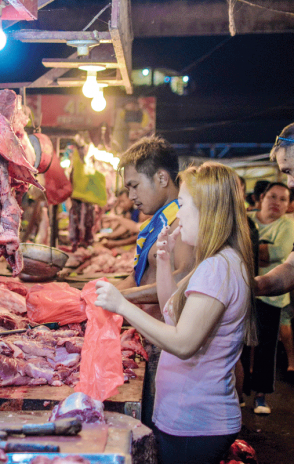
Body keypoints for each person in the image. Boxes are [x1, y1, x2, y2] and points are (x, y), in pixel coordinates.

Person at [95, 162, 256, 464]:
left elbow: (183, 343)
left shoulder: (217, 267)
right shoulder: (222, 260)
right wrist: (165, 261)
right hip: (192, 416)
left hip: (195, 422)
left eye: (183, 205)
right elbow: (174, 313)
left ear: (208, 211)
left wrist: (122, 306)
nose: (178, 214)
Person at [113, 136, 196, 429]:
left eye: (134, 185)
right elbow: (140, 276)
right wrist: (91, 295)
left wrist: (121, 301)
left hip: (168, 345)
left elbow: (185, 278)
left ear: (161, 177)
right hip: (147, 340)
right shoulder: (157, 221)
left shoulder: (182, 222)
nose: (131, 195)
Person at [241, 182, 294, 413]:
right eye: (272, 196)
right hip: (243, 294)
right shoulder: (245, 218)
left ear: (289, 205)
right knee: (239, 344)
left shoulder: (288, 226)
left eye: (283, 199)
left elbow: (278, 254)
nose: (277, 203)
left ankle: (261, 396)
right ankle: (239, 390)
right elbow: (253, 254)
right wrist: (259, 253)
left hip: (272, 297)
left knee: (266, 347)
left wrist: (253, 251)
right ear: (261, 198)